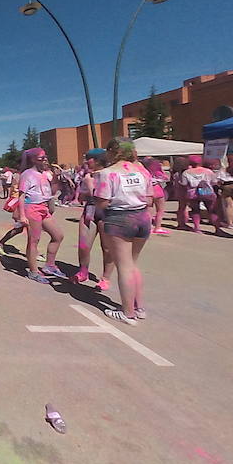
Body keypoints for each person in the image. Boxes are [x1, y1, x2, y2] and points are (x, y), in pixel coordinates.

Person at [94, 138, 153, 325]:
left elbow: (102, 202)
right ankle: (139, 307)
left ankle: (127, 312)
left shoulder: (107, 173)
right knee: (133, 263)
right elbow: (150, 199)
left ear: (112, 151)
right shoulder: (143, 171)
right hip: (143, 216)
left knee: (124, 266)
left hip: (120, 218)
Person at [17, 148, 65, 284]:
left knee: (58, 236)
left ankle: (50, 265)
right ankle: (33, 271)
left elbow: (52, 190)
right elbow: (21, 196)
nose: (45, 160)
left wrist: (55, 178)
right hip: (32, 208)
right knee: (34, 240)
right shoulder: (27, 174)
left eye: (45, 157)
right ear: (32, 159)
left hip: (44, 208)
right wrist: (22, 215)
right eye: (41, 158)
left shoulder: (44, 174)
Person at [72, 149, 113, 289]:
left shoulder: (109, 175)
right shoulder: (87, 176)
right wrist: (84, 190)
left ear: (97, 160)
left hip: (106, 213)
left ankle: (106, 278)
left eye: (88, 159)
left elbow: (104, 196)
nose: (85, 162)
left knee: (107, 247)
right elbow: (81, 197)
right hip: (89, 212)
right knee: (83, 245)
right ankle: (83, 271)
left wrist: (90, 187)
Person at [180, 155, 220, 235]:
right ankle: (217, 229)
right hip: (206, 190)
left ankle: (197, 228)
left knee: (195, 210)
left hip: (192, 192)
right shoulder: (208, 171)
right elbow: (214, 182)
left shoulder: (186, 172)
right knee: (212, 210)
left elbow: (184, 183)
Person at [141, 158, 170, 235]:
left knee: (149, 211)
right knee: (160, 210)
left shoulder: (143, 173)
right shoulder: (158, 172)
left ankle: (149, 227)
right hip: (158, 190)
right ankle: (158, 227)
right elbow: (166, 178)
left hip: (148, 191)